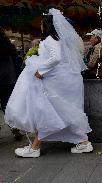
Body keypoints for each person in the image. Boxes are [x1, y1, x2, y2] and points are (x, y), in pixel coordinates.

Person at [4, 8, 93, 158]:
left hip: (51, 82)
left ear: (47, 25)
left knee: (45, 111)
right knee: (61, 112)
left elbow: (56, 57)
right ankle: (84, 142)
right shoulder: (57, 39)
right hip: (59, 81)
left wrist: (41, 71)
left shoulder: (51, 39)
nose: (40, 26)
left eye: (42, 23)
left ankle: (35, 147)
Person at [0, 28, 23, 140]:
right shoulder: (8, 45)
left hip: (6, 79)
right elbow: (16, 62)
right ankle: (14, 128)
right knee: (7, 106)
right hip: (9, 80)